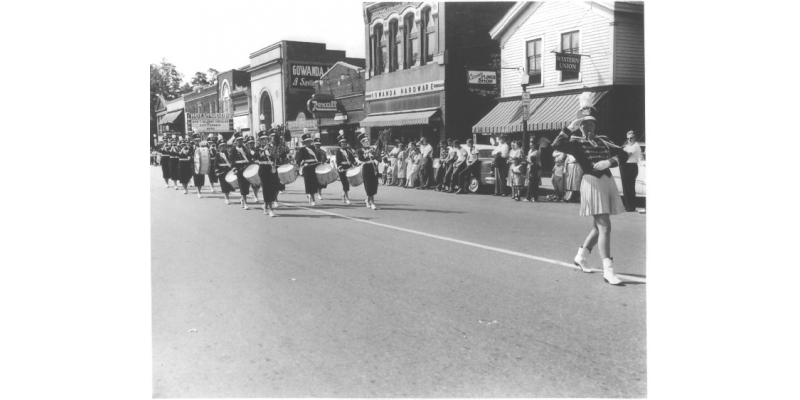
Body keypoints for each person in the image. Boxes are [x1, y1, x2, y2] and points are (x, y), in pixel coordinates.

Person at [552, 96, 627, 286]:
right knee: (605, 226)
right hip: (591, 183)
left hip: (607, 182)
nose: (588, 128)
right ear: (580, 126)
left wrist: (609, 162)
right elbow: (556, 145)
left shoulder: (604, 141)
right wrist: (570, 127)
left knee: (598, 227)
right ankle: (608, 270)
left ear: (595, 125)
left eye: (591, 124)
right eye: (584, 124)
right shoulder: (575, 142)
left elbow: (624, 153)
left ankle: (581, 256)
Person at [256, 131, 280, 217]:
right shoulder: (258, 148)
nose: (264, 140)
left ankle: (265, 206)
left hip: (271, 169)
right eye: (262, 139)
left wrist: (275, 154)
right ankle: (270, 209)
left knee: (272, 189)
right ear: (259, 140)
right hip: (263, 170)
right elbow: (256, 157)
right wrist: (263, 150)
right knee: (266, 189)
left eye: (266, 139)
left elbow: (277, 157)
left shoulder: (271, 147)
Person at [355, 130, 379, 210]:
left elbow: (376, 157)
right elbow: (361, 158)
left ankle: (367, 200)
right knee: (368, 185)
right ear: (361, 142)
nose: (367, 142)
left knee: (374, 185)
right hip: (366, 168)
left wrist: (377, 154)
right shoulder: (360, 150)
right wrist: (367, 153)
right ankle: (372, 203)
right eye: (364, 141)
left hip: (373, 167)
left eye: (367, 140)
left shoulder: (372, 149)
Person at [295, 132, 320, 206]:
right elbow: (298, 160)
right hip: (307, 168)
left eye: (309, 141)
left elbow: (318, 157)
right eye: (307, 141)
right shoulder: (302, 149)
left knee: (314, 183)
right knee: (309, 184)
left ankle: (311, 196)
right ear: (304, 142)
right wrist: (301, 164)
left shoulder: (314, 148)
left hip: (314, 167)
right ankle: (312, 199)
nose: (308, 142)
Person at [230, 133, 253, 210]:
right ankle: (245, 202)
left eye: (241, 140)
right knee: (242, 186)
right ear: (236, 140)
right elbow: (231, 161)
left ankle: (243, 199)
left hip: (246, 168)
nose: (240, 141)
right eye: (238, 140)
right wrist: (234, 169)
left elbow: (249, 158)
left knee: (246, 185)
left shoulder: (246, 148)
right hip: (239, 169)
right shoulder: (233, 149)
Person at [621, 130, 641, 212]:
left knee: (630, 187)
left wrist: (621, 153)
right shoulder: (628, 146)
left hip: (631, 167)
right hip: (625, 166)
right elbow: (621, 150)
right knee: (625, 188)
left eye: (631, 138)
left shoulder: (635, 146)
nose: (629, 140)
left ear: (635, 138)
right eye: (628, 138)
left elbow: (625, 156)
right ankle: (627, 205)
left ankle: (631, 206)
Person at [335, 134, 356, 205]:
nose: (343, 143)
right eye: (342, 142)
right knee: (345, 184)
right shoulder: (338, 151)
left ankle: (343, 194)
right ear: (340, 144)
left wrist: (355, 163)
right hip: (342, 170)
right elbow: (338, 161)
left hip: (349, 169)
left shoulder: (349, 150)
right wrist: (340, 168)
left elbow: (352, 159)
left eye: (344, 142)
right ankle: (347, 198)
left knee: (347, 184)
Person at [525, 138, 542, 202]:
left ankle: (530, 197)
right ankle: (533, 196)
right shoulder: (529, 151)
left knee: (533, 183)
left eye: (532, 145)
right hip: (529, 167)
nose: (531, 146)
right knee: (530, 182)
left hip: (534, 168)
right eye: (530, 145)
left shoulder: (536, 152)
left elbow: (536, 161)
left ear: (535, 145)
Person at [245, 136, 261, 203]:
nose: (251, 144)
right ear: (247, 144)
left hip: (255, 168)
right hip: (247, 168)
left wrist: (257, 160)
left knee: (256, 183)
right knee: (246, 184)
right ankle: (244, 198)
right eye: (250, 143)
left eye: (252, 143)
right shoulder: (245, 151)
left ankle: (255, 195)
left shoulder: (257, 150)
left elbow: (259, 157)